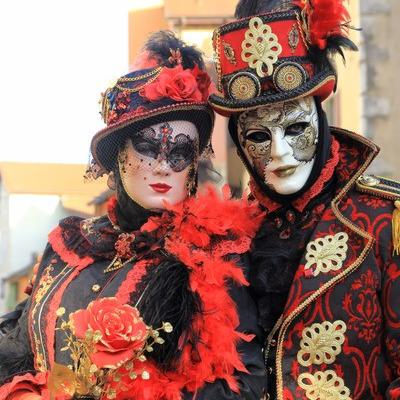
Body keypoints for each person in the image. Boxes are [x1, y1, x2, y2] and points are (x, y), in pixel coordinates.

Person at [0, 31, 266, 400]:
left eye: (179, 152)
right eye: (146, 146)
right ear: (118, 154)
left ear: (192, 166)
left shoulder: (213, 256)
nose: (161, 166)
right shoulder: (70, 245)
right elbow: (16, 339)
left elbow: (242, 382)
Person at [208, 0, 400, 399]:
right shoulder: (225, 237)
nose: (279, 153)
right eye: (259, 136)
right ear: (239, 144)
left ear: (320, 117)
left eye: (295, 128)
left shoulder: (385, 221)